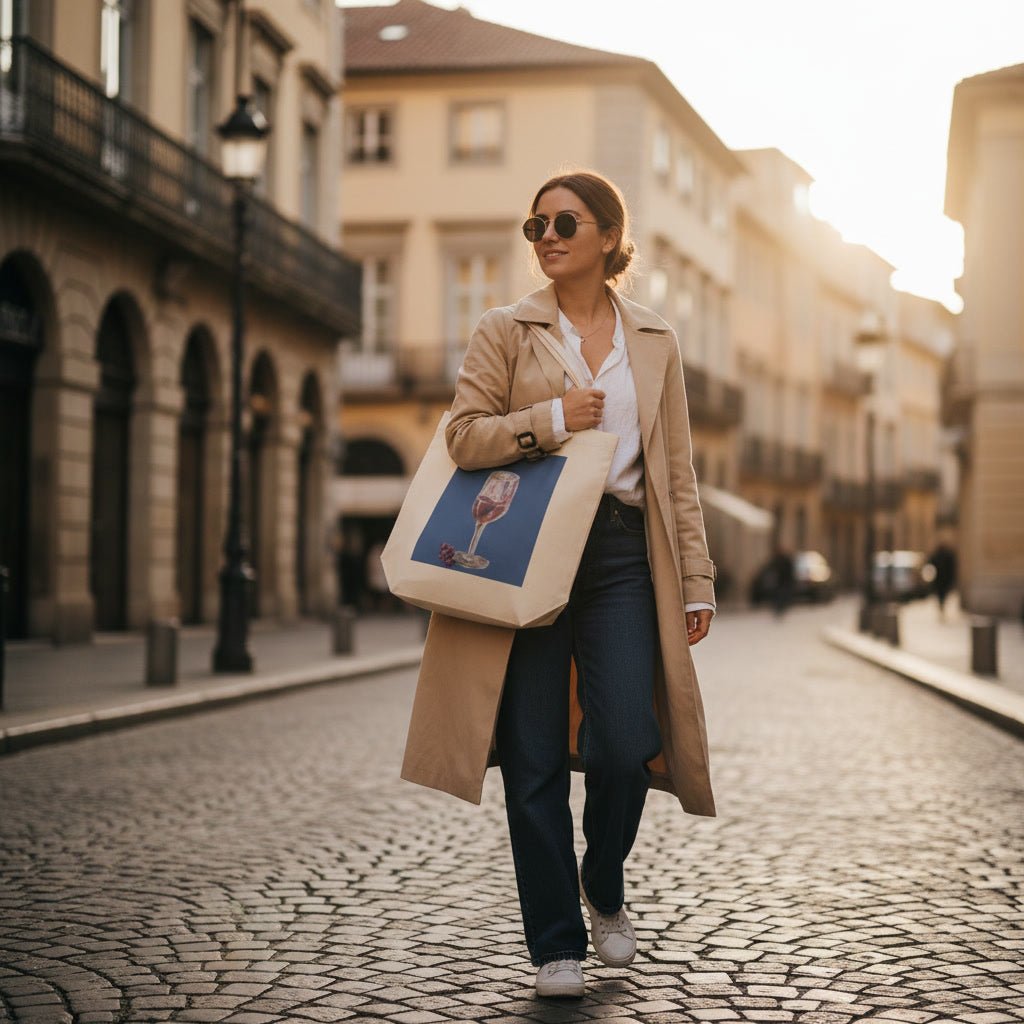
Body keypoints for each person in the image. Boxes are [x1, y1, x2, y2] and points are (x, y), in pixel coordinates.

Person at [400, 171, 717, 998]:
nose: (546, 236)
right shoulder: (504, 329)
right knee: (532, 752)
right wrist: (550, 421)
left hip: (622, 555)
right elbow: (463, 437)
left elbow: (675, 474)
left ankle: (602, 880)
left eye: (565, 222)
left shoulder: (655, 340)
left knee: (625, 741)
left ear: (609, 237)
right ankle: (555, 944)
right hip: (527, 551)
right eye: (535, 224)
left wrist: (696, 579)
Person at [926, 538, 957, 618]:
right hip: (942, 580)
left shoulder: (941, 555)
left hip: (941, 580)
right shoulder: (945, 555)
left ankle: (941, 606)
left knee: (941, 595)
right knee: (942, 595)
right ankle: (941, 606)